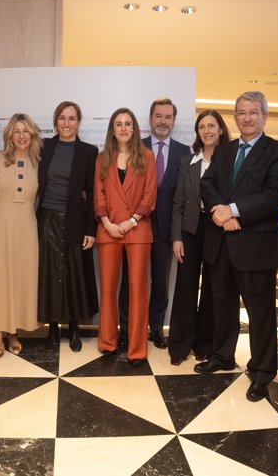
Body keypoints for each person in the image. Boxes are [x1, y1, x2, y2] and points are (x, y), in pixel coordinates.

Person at [198, 91, 278, 402]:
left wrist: (234, 210)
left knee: (260, 313)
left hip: (256, 246)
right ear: (235, 117)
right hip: (221, 243)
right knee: (221, 307)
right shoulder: (225, 151)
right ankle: (223, 355)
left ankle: (263, 372)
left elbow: (275, 194)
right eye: (241, 112)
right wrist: (221, 215)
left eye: (253, 112)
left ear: (265, 116)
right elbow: (207, 183)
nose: (247, 118)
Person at [119, 98, 190, 349]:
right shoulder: (135, 147)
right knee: (131, 280)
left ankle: (156, 328)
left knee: (160, 282)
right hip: (136, 226)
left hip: (166, 229)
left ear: (173, 121)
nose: (162, 121)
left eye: (167, 117)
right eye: (158, 116)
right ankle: (126, 329)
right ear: (150, 119)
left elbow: (184, 194)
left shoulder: (184, 152)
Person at [0, 114, 42, 369]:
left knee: (19, 280)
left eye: (26, 131)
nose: (21, 135)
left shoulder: (39, 163)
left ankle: (13, 332)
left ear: (33, 134)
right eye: (16, 131)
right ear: (9, 136)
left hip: (26, 229)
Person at [94, 108, 157, 366]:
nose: (123, 128)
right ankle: (107, 342)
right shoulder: (102, 158)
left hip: (138, 230)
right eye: (118, 124)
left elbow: (150, 194)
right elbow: (98, 193)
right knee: (108, 289)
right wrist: (107, 222)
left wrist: (131, 221)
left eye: (127, 123)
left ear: (134, 129)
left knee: (138, 290)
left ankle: (137, 349)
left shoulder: (147, 157)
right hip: (108, 230)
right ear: (112, 129)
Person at [168, 109, 231, 366]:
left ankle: (204, 343)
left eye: (211, 126)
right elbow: (178, 203)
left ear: (221, 130)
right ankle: (181, 344)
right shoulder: (187, 162)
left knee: (212, 290)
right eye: (202, 127)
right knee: (185, 287)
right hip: (190, 230)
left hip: (218, 228)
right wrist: (176, 237)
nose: (206, 131)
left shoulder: (230, 159)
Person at [39, 102, 99, 352]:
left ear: (79, 122)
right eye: (62, 118)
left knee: (75, 274)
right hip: (47, 218)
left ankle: (74, 328)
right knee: (50, 275)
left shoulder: (89, 151)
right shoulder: (43, 146)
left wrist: (91, 229)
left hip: (76, 219)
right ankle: (53, 328)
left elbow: (93, 193)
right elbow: (15, 152)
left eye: (72, 118)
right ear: (55, 122)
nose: (66, 123)